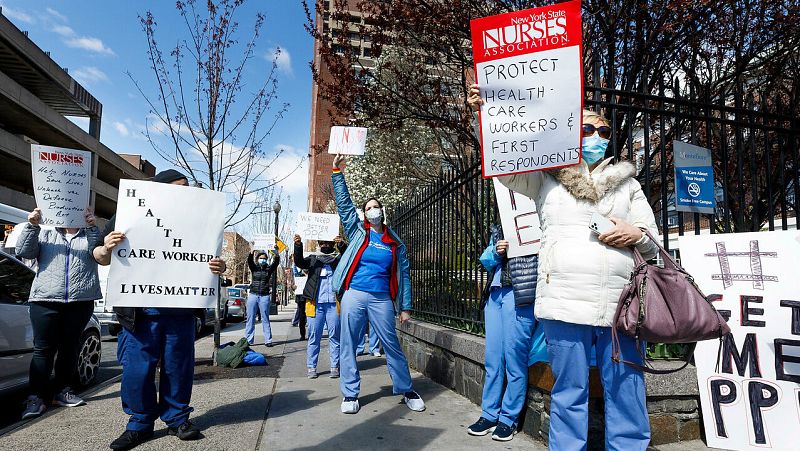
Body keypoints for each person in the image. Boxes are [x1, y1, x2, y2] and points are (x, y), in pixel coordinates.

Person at [469, 86, 660, 449]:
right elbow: (503, 164)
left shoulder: (628, 184)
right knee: (569, 393)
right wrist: (486, 117)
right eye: (588, 129)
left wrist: (636, 233)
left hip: (619, 305)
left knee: (627, 392)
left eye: (604, 131)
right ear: (571, 134)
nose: (597, 136)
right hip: (563, 304)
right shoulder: (546, 177)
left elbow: (652, 241)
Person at [92, 169, 228, 450]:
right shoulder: (130, 211)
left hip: (181, 312)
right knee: (137, 371)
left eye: (187, 187)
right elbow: (99, 255)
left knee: (178, 369)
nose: (185, 191)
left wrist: (219, 266)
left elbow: (207, 259)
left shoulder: (197, 220)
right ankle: (139, 424)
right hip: (139, 313)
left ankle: (177, 419)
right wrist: (106, 247)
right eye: (179, 187)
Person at [330, 154, 425, 414]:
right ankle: (350, 394)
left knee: (391, 344)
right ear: (365, 213)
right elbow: (344, 205)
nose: (373, 210)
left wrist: (405, 307)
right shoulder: (358, 232)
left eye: (376, 206)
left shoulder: (394, 242)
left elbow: (404, 275)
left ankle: (406, 389)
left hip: (382, 298)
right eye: (369, 207)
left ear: (382, 211)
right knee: (349, 343)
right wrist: (337, 172)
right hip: (354, 294)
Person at [16, 207, 101, 419]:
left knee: (70, 348)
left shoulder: (89, 233)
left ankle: (62, 391)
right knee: (43, 350)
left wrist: (92, 227)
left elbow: (99, 255)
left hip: (80, 301)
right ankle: (36, 397)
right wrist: (32, 226)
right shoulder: (45, 232)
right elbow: (24, 252)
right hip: (45, 300)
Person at [467, 224, 545, 442]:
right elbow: (485, 260)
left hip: (520, 293)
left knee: (514, 359)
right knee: (493, 359)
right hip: (495, 294)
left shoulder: (538, 220)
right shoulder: (501, 225)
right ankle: (489, 414)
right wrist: (495, 251)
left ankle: (508, 419)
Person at [294, 234, 347, 379]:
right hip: (315, 304)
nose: (325, 245)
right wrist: (298, 245)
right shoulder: (313, 259)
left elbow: (349, 259)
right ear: (319, 243)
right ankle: (311, 367)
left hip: (334, 304)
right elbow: (299, 262)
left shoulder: (338, 260)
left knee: (335, 336)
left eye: (328, 243)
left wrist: (342, 245)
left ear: (332, 244)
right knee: (314, 336)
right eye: (322, 243)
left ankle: (335, 366)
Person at [245, 249, 280, 347]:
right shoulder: (254, 268)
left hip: (264, 296)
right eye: (261, 258)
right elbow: (250, 261)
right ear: (257, 259)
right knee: (250, 318)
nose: (262, 260)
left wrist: (276, 255)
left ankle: (268, 340)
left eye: (264, 258)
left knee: (265, 318)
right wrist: (251, 253)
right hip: (253, 294)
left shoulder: (268, 269)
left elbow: (275, 263)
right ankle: (248, 340)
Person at [292, 266, 308, 339]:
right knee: (302, 316)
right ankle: (302, 335)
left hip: (309, 298)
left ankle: (312, 333)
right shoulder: (297, 276)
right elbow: (293, 286)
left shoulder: (311, 276)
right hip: (301, 298)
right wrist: (293, 287)